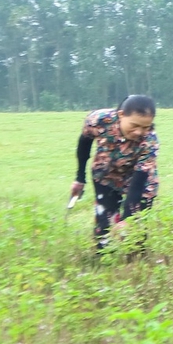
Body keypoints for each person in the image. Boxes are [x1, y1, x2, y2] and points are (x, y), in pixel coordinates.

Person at [71, 94, 159, 247]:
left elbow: (139, 181)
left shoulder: (150, 140)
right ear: (121, 115)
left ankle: (135, 262)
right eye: (134, 125)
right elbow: (84, 143)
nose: (139, 132)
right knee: (104, 228)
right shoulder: (98, 120)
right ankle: (103, 262)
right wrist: (80, 178)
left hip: (141, 181)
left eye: (145, 127)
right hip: (106, 174)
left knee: (134, 231)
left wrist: (127, 218)